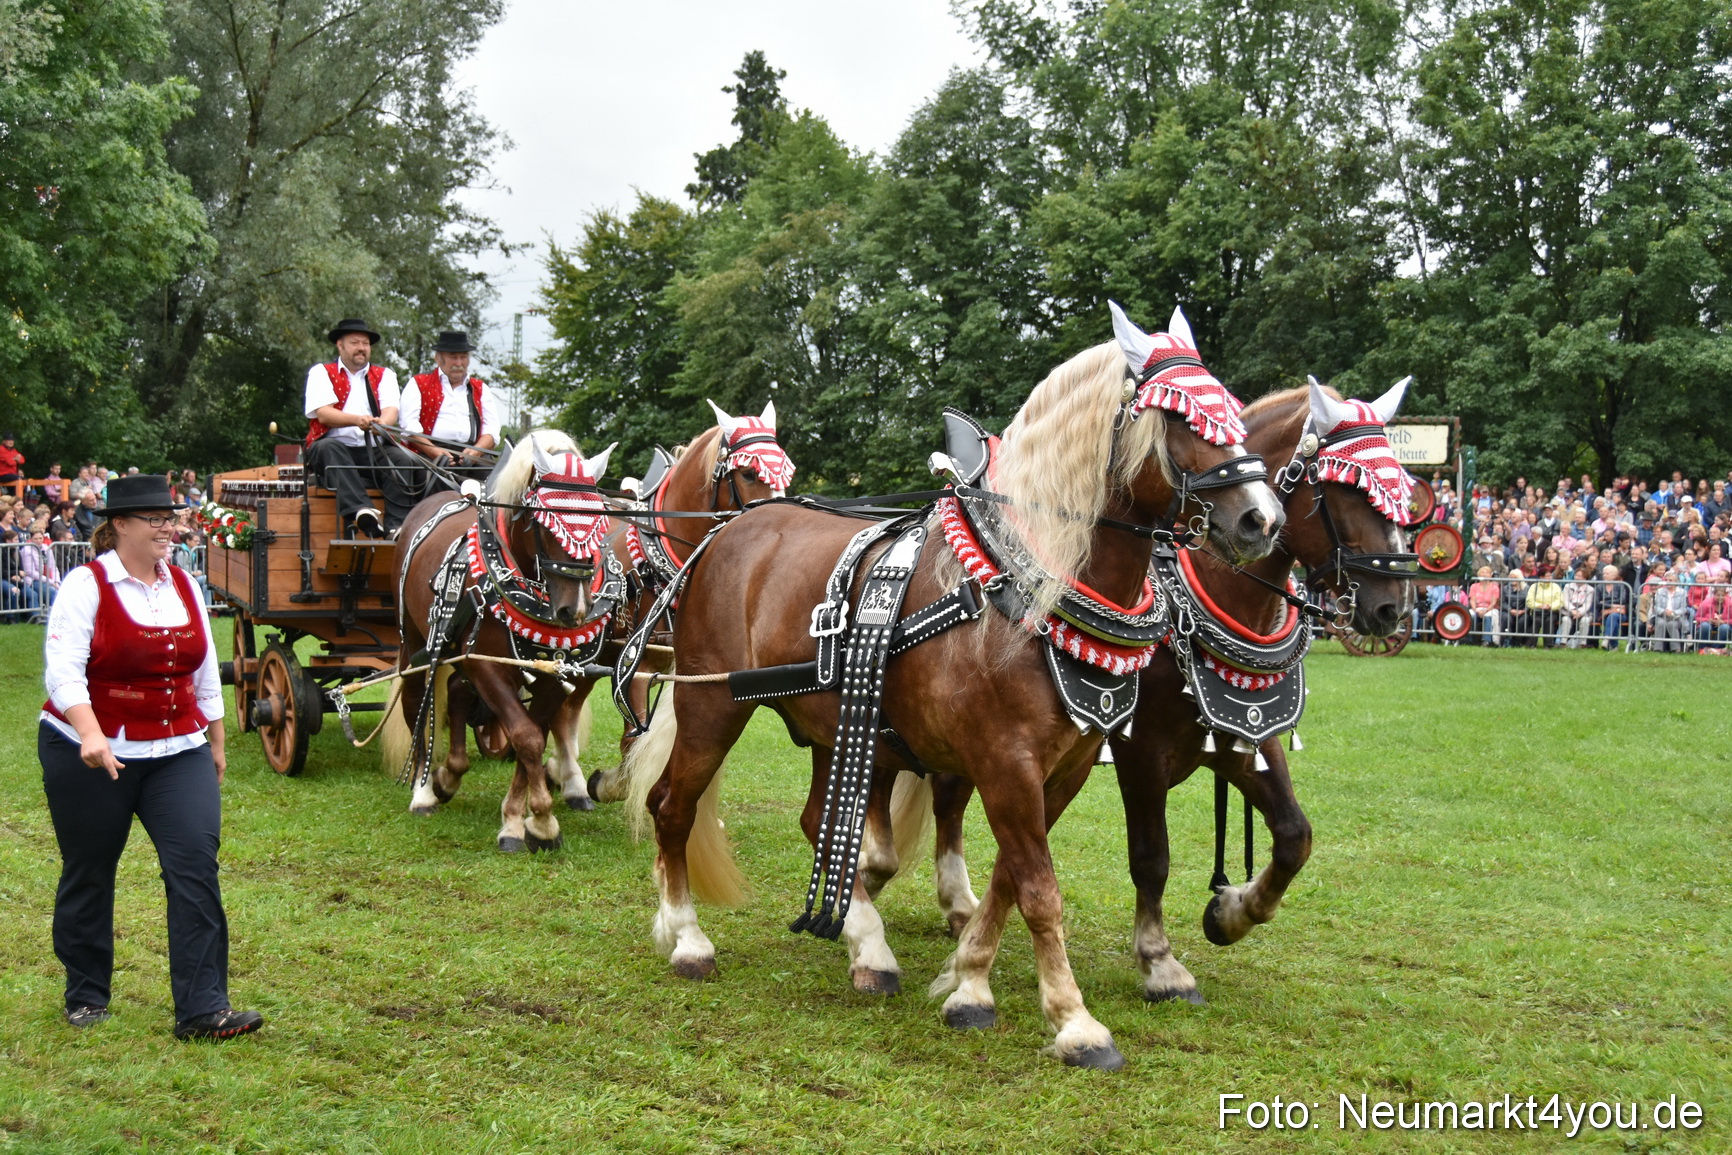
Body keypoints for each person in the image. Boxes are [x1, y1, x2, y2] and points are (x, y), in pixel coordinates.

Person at [38, 474, 262, 1039]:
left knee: (194, 870)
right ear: (121, 525)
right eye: (157, 518)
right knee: (90, 869)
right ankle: (86, 994)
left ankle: (203, 1009)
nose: (170, 526)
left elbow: (206, 669)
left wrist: (214, 740)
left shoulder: (185, 583)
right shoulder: (85, 585)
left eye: (172, 517)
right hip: (90, 750)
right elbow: (63, 673)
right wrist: (89, 733)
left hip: (176, 749)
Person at [302, 318, 422, 538]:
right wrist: (358, 420)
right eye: (355, 342)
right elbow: (324, 414)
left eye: (365, 343)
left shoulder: (385, 375)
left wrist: (382, 424)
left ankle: (397, 526)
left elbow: (391, 411)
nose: (361, 348)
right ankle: (362, 511)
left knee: (403, 459)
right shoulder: (321, 372)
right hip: (335, 447)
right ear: (340, 345)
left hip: (372, 449)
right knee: (329, 447)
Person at [402, 330, 501, 484]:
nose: (459, 363)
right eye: (453, 357)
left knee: (498, 482)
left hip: (471, 454)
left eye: (463, 357)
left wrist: (476, 452)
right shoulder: (418, 383)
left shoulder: (480, 388)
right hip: (428, 451)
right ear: (438, 359)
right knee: (432, 480)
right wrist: (434, 452)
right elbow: (409, 427)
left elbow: (492, 431)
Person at [1598, 563, 1630, 649]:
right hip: (1604, 613)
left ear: (1613, 575)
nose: (1604, 575)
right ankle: (1613, 645)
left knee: (1614, 616)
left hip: (1620, 613)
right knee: (1612, 617)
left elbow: (1622, 600)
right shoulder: (1599, 586)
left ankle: (1607, 639)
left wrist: (1605, 603)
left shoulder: (1620, 586)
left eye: (1607, 573)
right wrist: (1612, 604)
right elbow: (1597, 602)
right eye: (1603, 573)